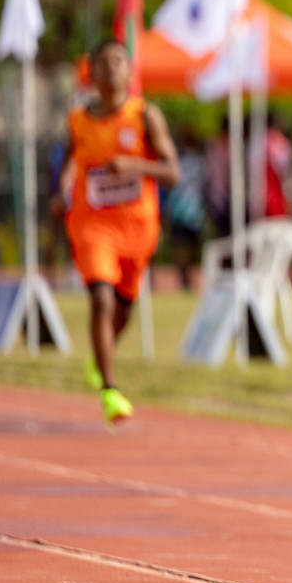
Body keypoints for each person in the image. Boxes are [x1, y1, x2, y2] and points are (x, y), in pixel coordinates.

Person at [58, 39, 180, 425]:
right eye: (103, 62)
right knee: (100, 299)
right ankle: (110, 390)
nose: (112, 68)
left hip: (137, 226)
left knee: (123, 308)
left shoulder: (145, 116)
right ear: (90, 74)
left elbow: (173, 172)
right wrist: (59, 193)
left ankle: (99, 356)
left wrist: (136, 167)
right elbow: (70, 162)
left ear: (130, 72)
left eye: (118, 61)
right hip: (92, 223)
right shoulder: (77, 120)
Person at [165, 125, 208, 291]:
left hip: (192, 211)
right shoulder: (178, 161)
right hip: (181, 210)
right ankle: (183, 279)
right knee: (181, 246)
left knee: (189, 247)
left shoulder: (198, 161)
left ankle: (187, 277)